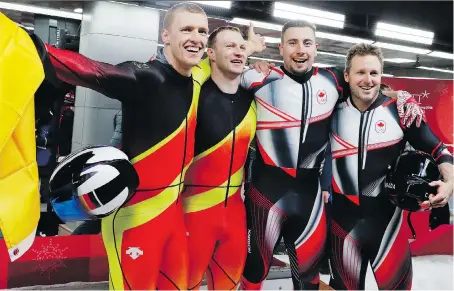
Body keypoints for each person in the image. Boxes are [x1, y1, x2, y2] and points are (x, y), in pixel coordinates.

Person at [29, 3, 211, 289]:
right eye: (186, 29)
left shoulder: (198, 76)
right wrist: (34, 48)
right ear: (165, 35)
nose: (196, 37)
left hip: (174, 218)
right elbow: (94, 71)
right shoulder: (147, 76)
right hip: (135, 219)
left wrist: (247, 48)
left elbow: (223, 57)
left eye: (202, 31)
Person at [238, 20, 425, 290]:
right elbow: (220, 74)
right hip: (264, 194)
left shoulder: (334, 79)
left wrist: (401, 95)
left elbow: (370, 88)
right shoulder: (258, 78)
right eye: (292, 42)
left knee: (308, 278)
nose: (300, 49)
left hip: (309, 200)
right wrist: (247, 51)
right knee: (254, 272)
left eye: (306, 43)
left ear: (317, 47)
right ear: (280, 48)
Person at [327, 43, 453, 290]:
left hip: (388, 229)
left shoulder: (399, 110)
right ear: (347, 76)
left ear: (381, 75)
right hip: (343, 227)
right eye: (360, 72)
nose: (368, 80)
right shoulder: (330, 109)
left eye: (374, 73)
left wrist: (449, 184)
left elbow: (440, 151)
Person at [182, 26, 257, 290]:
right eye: (230, 46)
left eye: (241, 47)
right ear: (210, 53)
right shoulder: (193, 93)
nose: (238, 51)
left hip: (236, 214)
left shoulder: (254, 100)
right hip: (193, 212)